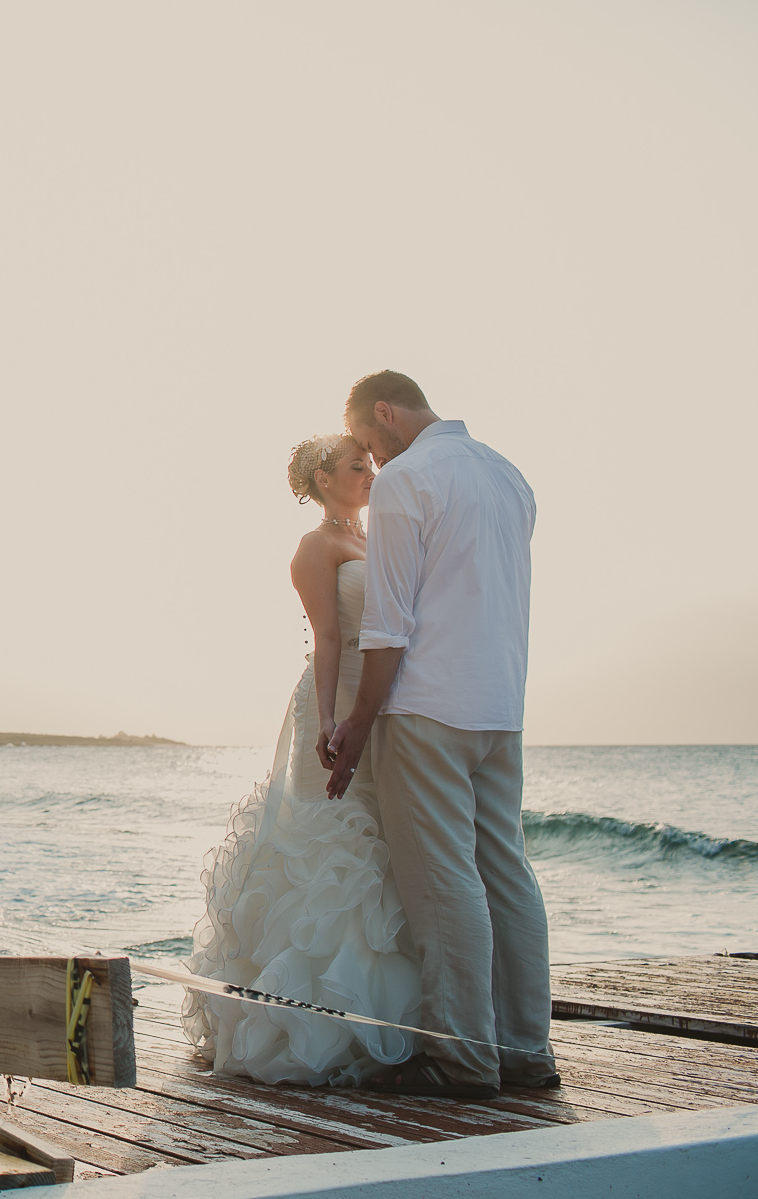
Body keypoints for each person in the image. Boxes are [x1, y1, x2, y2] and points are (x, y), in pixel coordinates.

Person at [326, 370, 557, 1099]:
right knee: (506, 873)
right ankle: (525, 1049)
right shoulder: (509, 475)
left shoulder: (406, 482)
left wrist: (358, 726)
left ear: (386, 414)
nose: (374, 459)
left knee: (443, 883)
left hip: (426, 706)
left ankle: (460, 1058)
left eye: (369, 441)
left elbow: (387, 625)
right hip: (501, 705)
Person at [181, 431, 420, 1085]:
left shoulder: (377, 539)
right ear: (322, 479)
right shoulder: (315, 547)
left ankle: (388, 1016)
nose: (370, 472)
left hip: (384, 707)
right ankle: (313, 1023)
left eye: (371, 463)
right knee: (331, 843)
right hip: (334, 705)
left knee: (379, 844)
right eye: (356, 465)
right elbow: (327, 637)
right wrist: (333, 717)